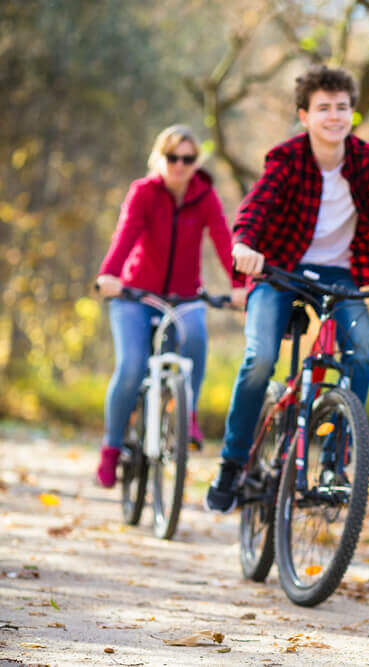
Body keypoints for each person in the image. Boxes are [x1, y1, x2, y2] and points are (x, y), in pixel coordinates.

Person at [205, 65, 369, 513]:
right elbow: (255, 209)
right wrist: (244, 246)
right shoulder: (287, 158)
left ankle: (336, 462)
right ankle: (232, 464)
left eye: (342, 107)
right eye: (323, 108)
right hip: (280, 269)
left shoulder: (367, 162)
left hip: (339, 276)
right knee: (259, 360)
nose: (334, 116)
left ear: (352, 113)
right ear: (304, 115)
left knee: (364, 347)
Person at [95, 125, 242, 488]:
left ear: (196, 162)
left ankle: (186, 413)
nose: (179, 165)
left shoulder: (204, 196)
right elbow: (126, 234)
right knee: (131, 367)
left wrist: (240, 287)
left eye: (187, 158)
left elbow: (224, 241)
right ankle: (112, 447)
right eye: (172, 157)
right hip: (136, 296)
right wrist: (109, 276)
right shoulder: (144, 192)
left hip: (185, 296)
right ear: (159, 158)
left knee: (196, 335)